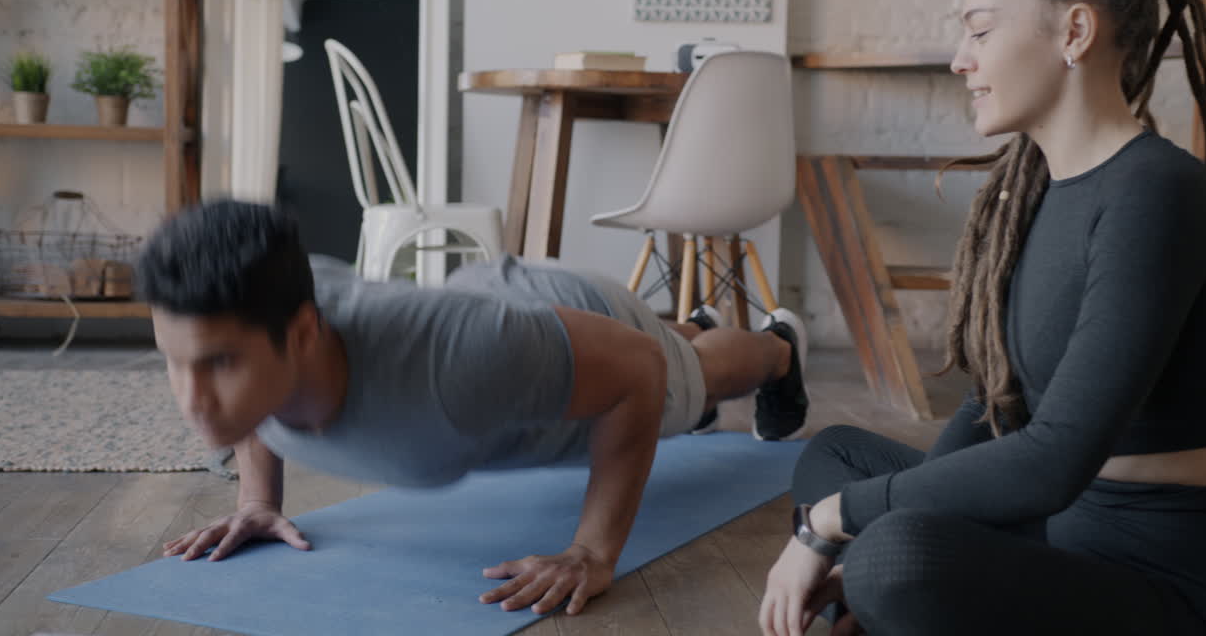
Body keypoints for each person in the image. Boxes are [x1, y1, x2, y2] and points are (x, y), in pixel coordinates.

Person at [760, 0, 1206, 635]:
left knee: (885, 554)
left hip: (1162, 574)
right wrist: (883, 516)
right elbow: (997, 405)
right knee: (837, 456)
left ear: (1074, 32)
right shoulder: (1040, 189)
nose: (962, 59)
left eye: (980, 32)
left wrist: (833, 526)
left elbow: (1054, 461)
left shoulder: (1158, 194)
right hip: (1056, 528)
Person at [138, 199, 811, 617]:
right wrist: (258, 503)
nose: (192, 402)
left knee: (682, 379)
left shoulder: (452, 361)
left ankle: (779, 347)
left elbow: (637, 367)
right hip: (497, 311)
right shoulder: (264, 316)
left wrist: (591, 552)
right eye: (175, 359)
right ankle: (691, 325)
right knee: (660, 352)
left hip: (577, 314)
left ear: (303, 334)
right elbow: (255, 392)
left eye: (219, 364)